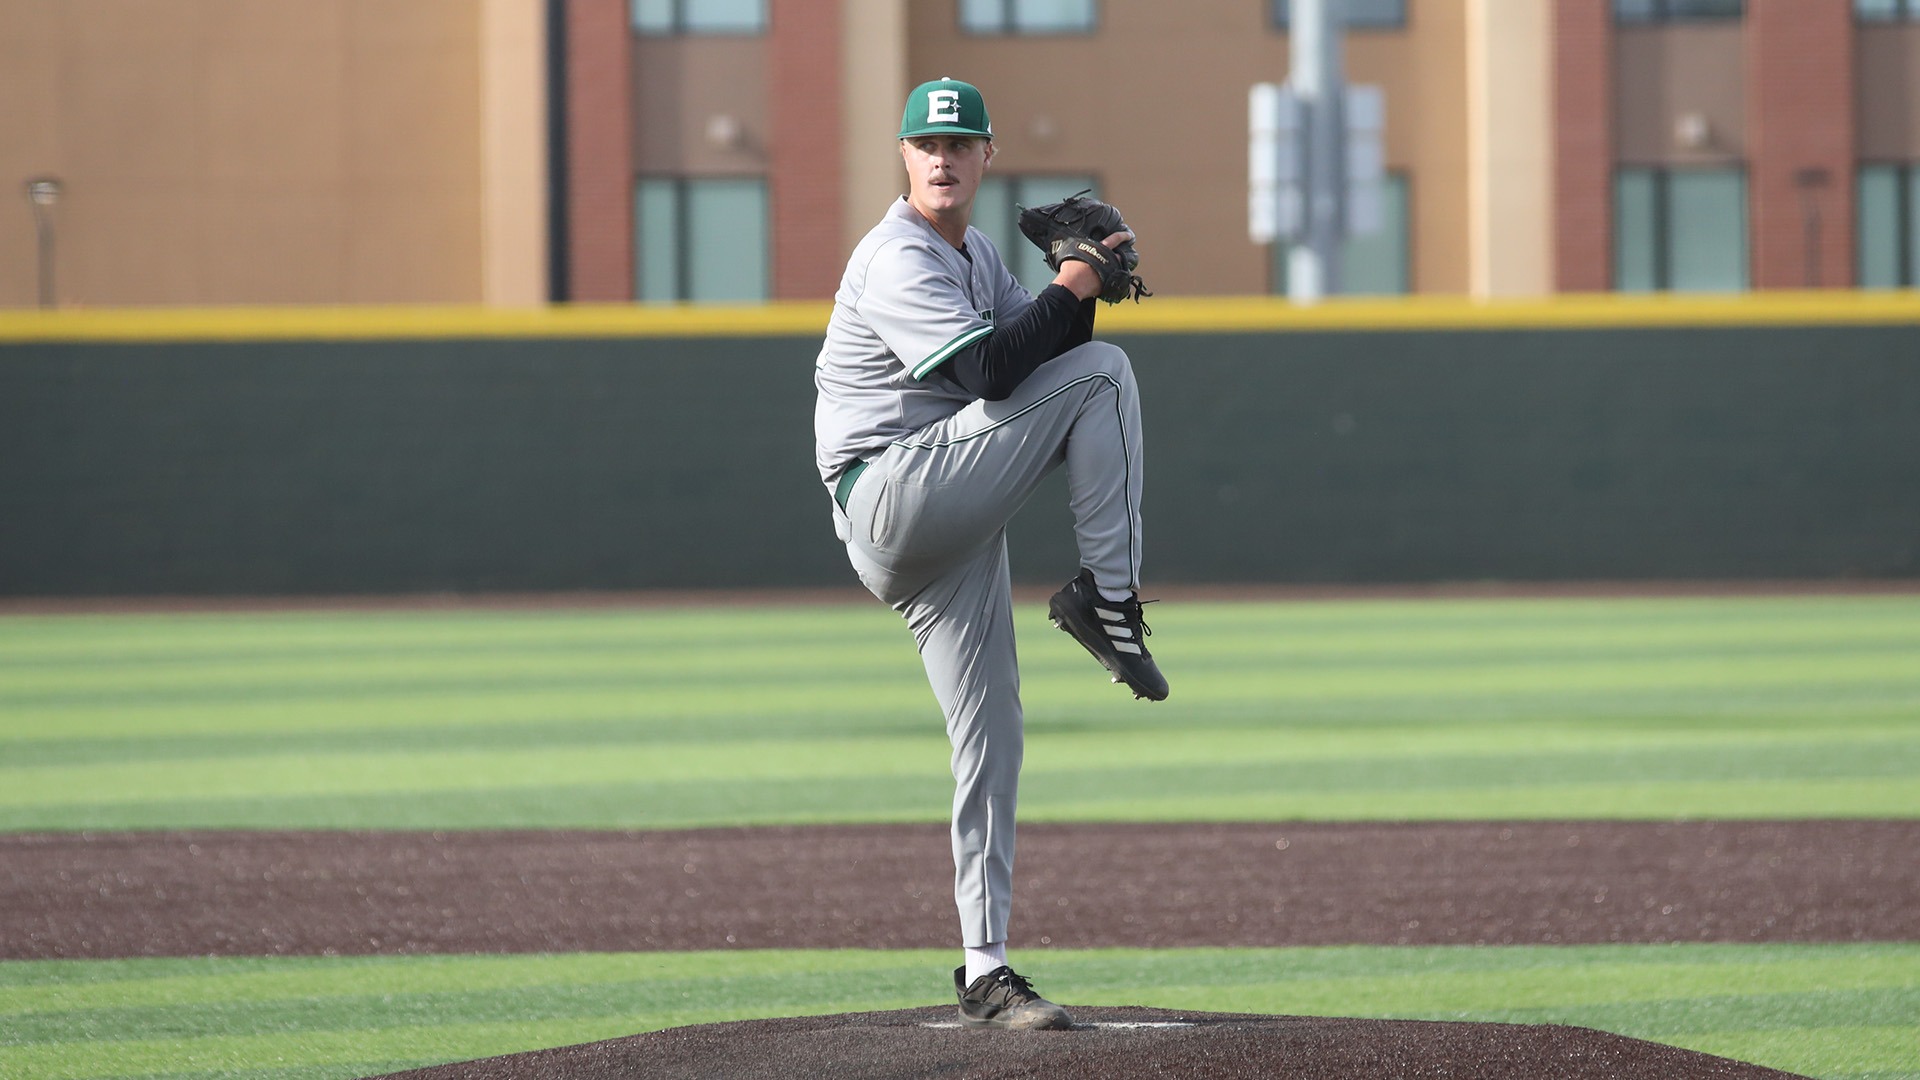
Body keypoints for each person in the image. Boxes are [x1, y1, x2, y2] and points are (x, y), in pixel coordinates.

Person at [813, 77, 1167, 1031]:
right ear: (904, 157)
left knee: (991, 735)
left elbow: (1040, 348)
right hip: (891, 494)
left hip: (947, 521)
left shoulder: (970, 253)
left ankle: (984, 965)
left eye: (959, 145)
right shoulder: (896, 257)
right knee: (1106, 373)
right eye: (927, 146)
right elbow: (991, 372)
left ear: (985, 157)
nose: (942, 159)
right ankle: (1110, 598)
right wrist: (1075, 280)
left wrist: (1077, 280)